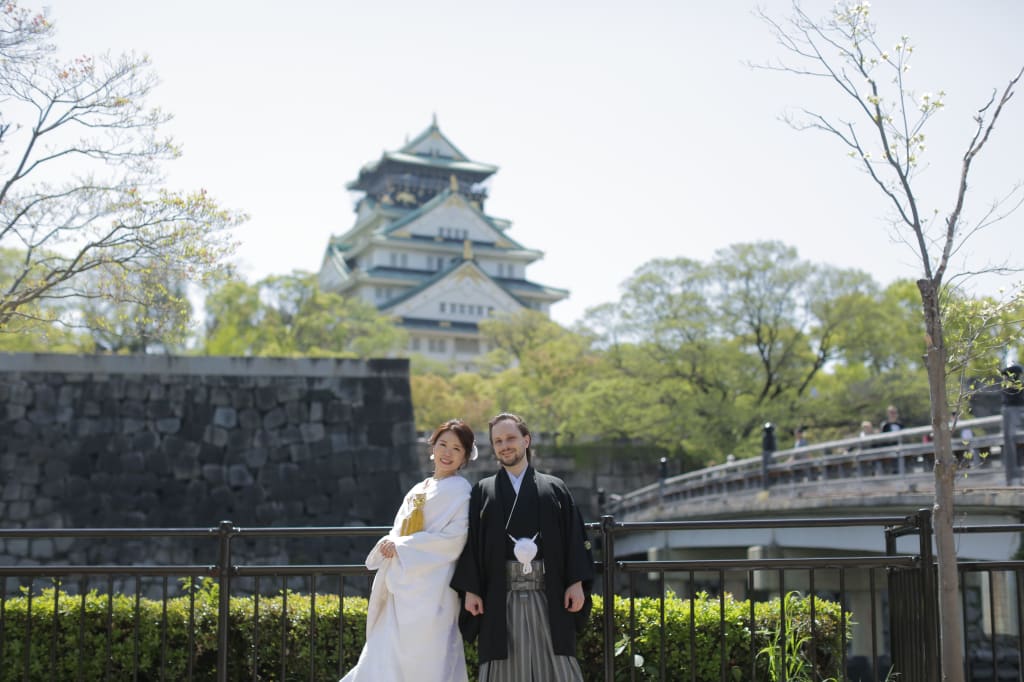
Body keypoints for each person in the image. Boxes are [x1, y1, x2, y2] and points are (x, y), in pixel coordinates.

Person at [451, 412, 595, 681]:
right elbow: (472, 543)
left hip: (548, 591)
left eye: (511, 438)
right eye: (498, 441)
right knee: (503, 667)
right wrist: (471, 590)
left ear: (526, 440)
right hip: (499, 594)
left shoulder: (555, 488)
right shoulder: (483, 490)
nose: (505, 445)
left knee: (556, 664)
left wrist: (576, 582)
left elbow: (575, 536)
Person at [340, 419, 477, 682]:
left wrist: (402, 546)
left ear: (465, 457)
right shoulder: (419, 489)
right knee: (385, 654)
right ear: (432, 447)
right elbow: (399, 529)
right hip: (403, 587)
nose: (447, 453)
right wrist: (390, 543)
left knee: (428, 659)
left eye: (456, 449)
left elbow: (454, 539)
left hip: (434, 589)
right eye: (443, 444)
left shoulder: (461, 491)